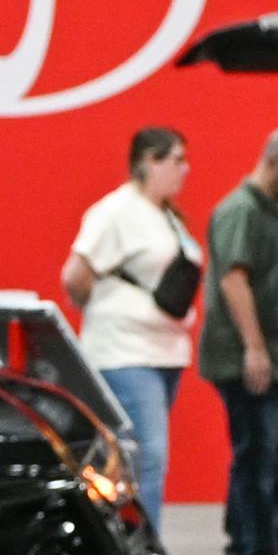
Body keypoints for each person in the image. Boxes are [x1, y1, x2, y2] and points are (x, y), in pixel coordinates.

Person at [61, 126, 198, 517]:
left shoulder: (166, 215)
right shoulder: (114, 213)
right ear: (148, 162)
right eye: (176, 160)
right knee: (146, 456)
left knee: (140, 457)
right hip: (125, 351)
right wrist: (104, 311)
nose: (185, 169)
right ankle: (141, 549)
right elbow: (75, 275)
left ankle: (133, 540)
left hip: (164, 351)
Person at [201, 127, 278, 555]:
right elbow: (233, 280)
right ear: (274, 161)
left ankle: (240, 549)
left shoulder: (275, 212)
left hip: (271, 353)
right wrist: (254, 348)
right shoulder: (242, 211)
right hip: (247, 357)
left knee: (253, 452)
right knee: (261, 454)